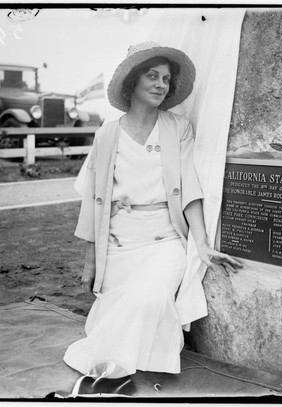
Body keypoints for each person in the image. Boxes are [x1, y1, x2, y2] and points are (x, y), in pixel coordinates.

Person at [63, 42, 242, 383]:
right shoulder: (107, 134)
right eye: (152, 76)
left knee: (151, 298)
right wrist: (91, 260)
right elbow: (93, 201)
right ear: (132, 82)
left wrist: (201, 244)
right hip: (119, 246)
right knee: (131, 309)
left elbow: (189, 187)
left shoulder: (178, 128)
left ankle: (104, 368)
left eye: (166, 79)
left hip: (164, 242)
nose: (161, 84)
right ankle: (119, 367)